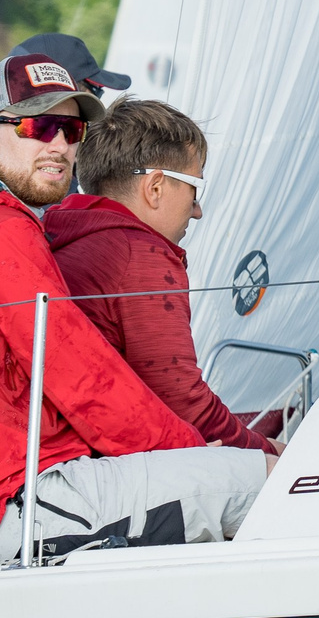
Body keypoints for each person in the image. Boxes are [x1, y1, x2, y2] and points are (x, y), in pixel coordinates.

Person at [0, 55, 271, 563]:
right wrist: (192, 452)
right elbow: (87, 382)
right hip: (2, 510)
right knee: (272, 483)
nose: (58, 145)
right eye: (36, 127)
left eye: (72, 130)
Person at [44, 98, 280, 455]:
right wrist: (267, 450)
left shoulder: (59, 234)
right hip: (100, 461)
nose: (197, 211)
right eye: (194, 189)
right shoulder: (138, 253)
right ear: (155, 187)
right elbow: (184, 403)